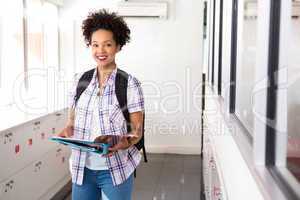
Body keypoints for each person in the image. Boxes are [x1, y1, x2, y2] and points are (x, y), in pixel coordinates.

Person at [58, 9, 144, 200]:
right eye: (95, 45)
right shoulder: (79, 80)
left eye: (107, 45)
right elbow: (72, 119)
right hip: (82, 168)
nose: (101, 51)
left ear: (118, 46)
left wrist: (124, 142)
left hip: (116, 169)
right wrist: (68, 129)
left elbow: (137, 131)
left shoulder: (129, 83)